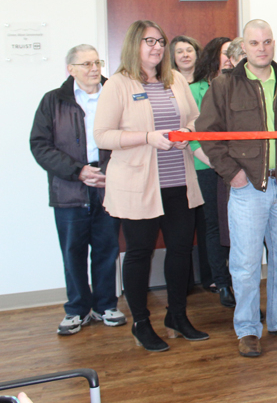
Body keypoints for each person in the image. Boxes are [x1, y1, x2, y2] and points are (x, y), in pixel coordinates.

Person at [196, 20, 277, 358]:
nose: (261, 48)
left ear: (273, 44)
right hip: (247, 187)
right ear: (243, 48)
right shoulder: (224, 86)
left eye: (266, 42)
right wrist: (231, 172)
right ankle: (247, 328)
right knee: (246, 262)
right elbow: (207, 134)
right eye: (254, 43)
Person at [94, 20, 207, 352]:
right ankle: (141, 323)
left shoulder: (174, 82)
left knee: (181, 251)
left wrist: (189, 133)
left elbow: (195, 119)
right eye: (149, 41)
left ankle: (177, 316)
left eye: (161, 41)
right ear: (134, 45)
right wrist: (146, 138)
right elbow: (102, 135)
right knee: (139, 254)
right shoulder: (118, 84)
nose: (157, 47)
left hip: (178, 182)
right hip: (138, 185)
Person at [30, 44, 125, 336]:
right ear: (70, 69)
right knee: (72, 252)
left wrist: (110, 172)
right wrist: (78, 171)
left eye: (97, 62)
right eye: (86, 64)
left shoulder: (115, 94)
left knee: (107, 249)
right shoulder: (53, 100)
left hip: (109, 184)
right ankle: (76, 309)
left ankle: (106, 305)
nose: (94, 68)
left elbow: (129, 137)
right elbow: (40, 145)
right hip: (69, 187)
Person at [189, 36, 235, 308]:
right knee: (215, 226)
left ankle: (240, 281)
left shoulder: (241, 85)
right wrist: (217, 163)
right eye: (226, 53)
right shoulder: (196, 89)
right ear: (214, 57)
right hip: (207, 166)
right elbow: (194, 131)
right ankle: (223, 284)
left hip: (240, 167)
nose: (231, 58)